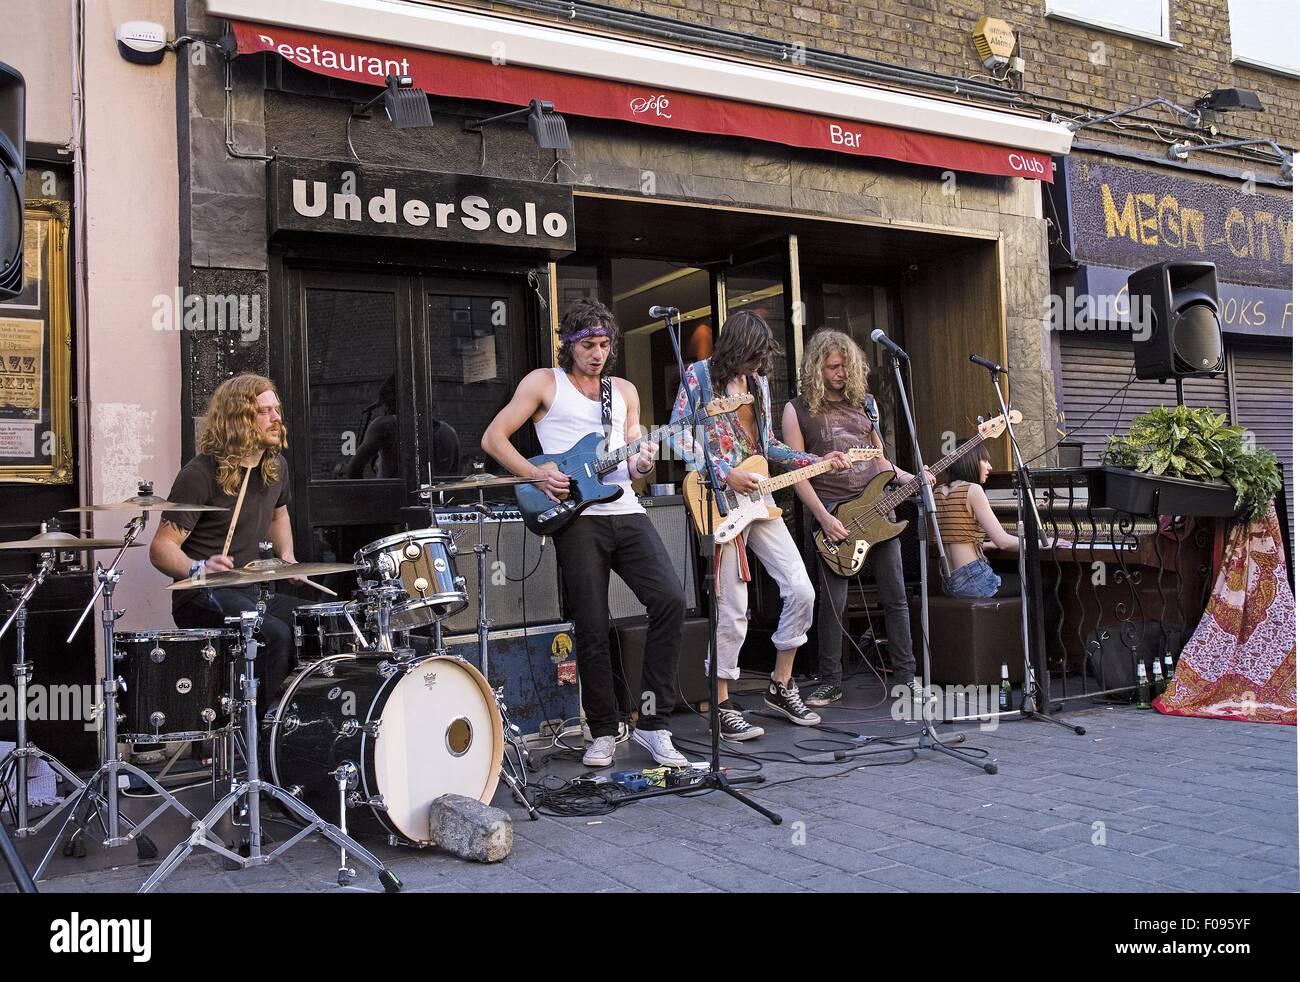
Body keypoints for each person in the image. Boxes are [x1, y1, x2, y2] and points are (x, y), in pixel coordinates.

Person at [481, 299, 689, 769]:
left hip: (626, 508)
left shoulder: (625, 390)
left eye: (605, 345)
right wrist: (535, 476)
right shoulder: (543, 383)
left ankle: (654, 726)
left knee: (670, 600)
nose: (598, 354)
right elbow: (494, 439)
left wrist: (642, 460)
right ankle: (603, 730)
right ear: (569, 344)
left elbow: (632, 455)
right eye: (589, 345)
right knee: (592, 624)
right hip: (576, 517)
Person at [670, 310, 849, 741]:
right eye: (751, 356)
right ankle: (723, 702)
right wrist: (722, 471)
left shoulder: (760, 386)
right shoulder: (698, 377)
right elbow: (675, 436)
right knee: (733, 607)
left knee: (801, 588)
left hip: (760, 497)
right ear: (734, 348)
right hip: (719, 499)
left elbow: (767, 446)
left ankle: (780, 684)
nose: (756, 365)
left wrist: (816, 460)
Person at [782, 329, 933, 707]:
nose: (840, 373)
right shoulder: (797, 409)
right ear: (817, 368)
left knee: (896, 597)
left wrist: (909, 478)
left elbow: (879, 459)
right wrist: (822, 517)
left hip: (879, 511)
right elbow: (796, 472)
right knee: (833, 603)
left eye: (846, 366)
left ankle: (906, 677)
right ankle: (830, 680)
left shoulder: (866, 404)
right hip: (834, 514)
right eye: (832, 367)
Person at [149, 374, 301, 706]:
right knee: (273, 634)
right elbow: (162, 548)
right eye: (265, 412)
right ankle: (255, 733)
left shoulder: (274, 466)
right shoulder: (199, 474)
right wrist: (197, 568)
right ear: (238, 418)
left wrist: (286, 555)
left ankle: (290, 724)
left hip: (253, 591)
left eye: (277, 410)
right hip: (203, 594)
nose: (277, 418)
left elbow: (279, 514)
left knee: (314, 621)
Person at [934, 442, 1026, 599]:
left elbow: (957, 540)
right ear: (969, 461)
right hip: (974, 581)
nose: (989, 467)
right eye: (984, 460)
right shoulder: (972, 489)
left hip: (949, 582)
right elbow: (1003, 541)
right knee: (1046, 583)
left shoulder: (937, 492)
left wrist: (987, 545)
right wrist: (1043, 543)